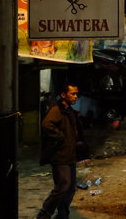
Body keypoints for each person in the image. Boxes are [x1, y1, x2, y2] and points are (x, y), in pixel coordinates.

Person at [37, 84, 88, 219]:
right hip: (60, 156)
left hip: (69, 155)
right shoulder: (57, 109)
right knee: (63, 185)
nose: (76, 96)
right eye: (73, 94)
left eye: (76, 94)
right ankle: (44, 214)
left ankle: (63, 214)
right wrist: (60, 137)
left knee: (70, 188)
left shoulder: (68, 110)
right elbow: (46, 125)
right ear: (64, 95)